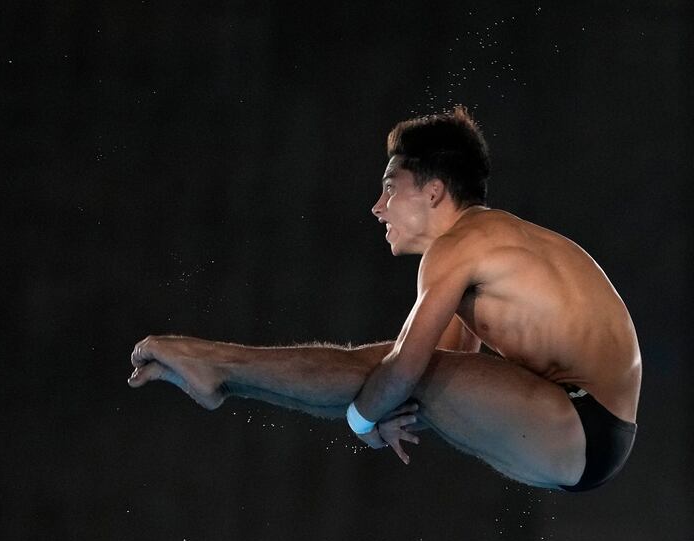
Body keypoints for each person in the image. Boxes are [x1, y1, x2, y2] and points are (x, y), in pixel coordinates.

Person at [128, 106, 641, 492]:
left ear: (435, 192)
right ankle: (219, 375)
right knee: (389, 373)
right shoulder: (493, 242)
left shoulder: (459, 245)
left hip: (580, 422)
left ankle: (216, 365)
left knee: (389, 370)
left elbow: (405, 369)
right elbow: (448, 368)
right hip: (587, 433)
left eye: (390, 188)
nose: (378, 208)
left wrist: (362, 422)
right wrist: (379, 408)